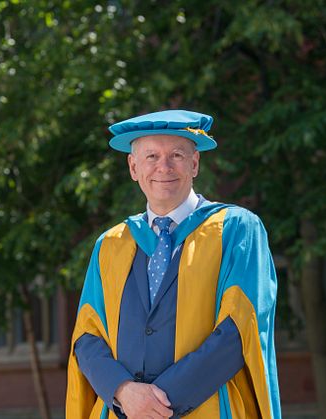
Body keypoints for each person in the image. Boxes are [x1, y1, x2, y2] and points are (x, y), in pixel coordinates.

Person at [66, 110, 281, 418]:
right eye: (151, 156)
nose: (163, 167)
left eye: (176, 155)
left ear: (194, 164)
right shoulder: (111, 244)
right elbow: (87, 338)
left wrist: (158, 403)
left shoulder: (235, 229)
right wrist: (124, 392)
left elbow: (241, 329)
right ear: (133, 167)